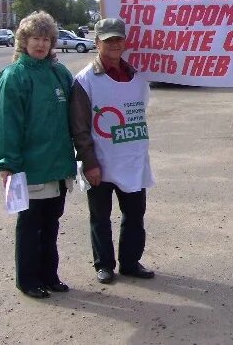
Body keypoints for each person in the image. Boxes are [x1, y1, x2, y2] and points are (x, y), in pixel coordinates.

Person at [0, 11, 76, 299]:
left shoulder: (59, 73)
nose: (40, 44)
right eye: (34, 39)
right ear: (23, 41)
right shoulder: (15, 76)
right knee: (30, 227)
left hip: (57, 166)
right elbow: (7, 124)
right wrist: (7, 165)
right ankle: (28, 280)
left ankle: (49, 275)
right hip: (29, 168)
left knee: (51, 225)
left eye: (45, 39)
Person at [70, 17, 156, 284]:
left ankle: (130, 262)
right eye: (108, 40)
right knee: (100, 216)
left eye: (118, 39)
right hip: (101, 161)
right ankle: (104, 264)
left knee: (134, 215)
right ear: (96, 43)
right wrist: (89, 161)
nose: (114, 44)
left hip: (132, 159)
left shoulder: (136, 76)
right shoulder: (85, 81)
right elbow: (79, 127)